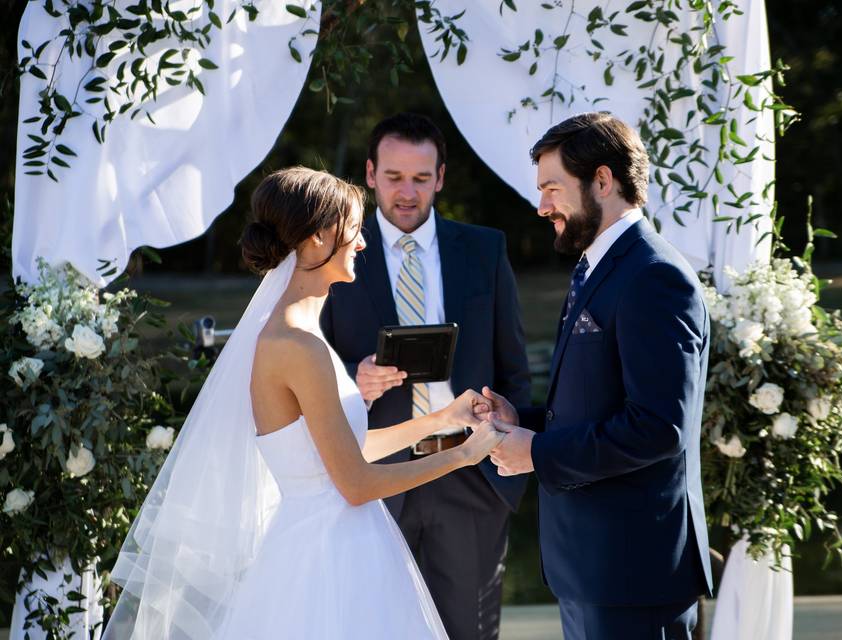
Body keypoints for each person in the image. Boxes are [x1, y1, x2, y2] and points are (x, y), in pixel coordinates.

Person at [103, 167, 503, 639]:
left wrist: (443, 418)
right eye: (353, 229)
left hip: (338, 543)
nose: (361, 243)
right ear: (317, 237)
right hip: (326, 561)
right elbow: (355, 484)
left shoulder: (301, 333)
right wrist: (463, 455)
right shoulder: (296, 344)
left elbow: (342, 452)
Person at [479, 113, 713, 640]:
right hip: (589, 568)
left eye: (553, 189)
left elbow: (658, 426)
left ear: (603, 181)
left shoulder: (654, 276)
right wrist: (525, 422)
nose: (542, 207)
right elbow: (598, 404)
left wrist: (535, 452)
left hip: (633, 572)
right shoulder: (597, 267)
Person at [320, 113, 531, 640]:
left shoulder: (486, 249)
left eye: (420, 178)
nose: (406, 192)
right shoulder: (332, 253)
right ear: (369, 174)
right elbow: (306, 359)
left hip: (470, 478)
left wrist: (505, 453)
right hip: (371, 482)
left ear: (440, 177)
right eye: (393, 177)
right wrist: (353, 380)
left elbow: (514, 367)